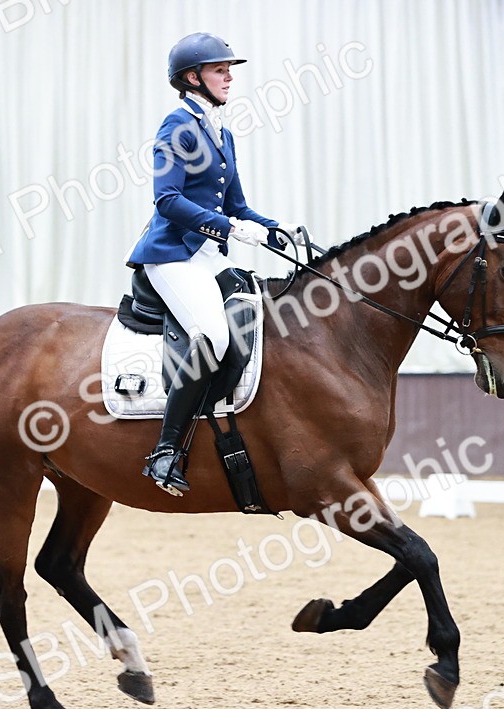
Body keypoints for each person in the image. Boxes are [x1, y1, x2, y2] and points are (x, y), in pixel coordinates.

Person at [127, 32, 303, 496]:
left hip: (206, 256)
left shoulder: (221, 133)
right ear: (192, 78)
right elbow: (167, 200)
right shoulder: (177, 126)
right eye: (220, 70)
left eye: (229, 70)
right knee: (213, 335)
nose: (229, 77)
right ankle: (165, 451)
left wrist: (274, 228)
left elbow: (237, 206)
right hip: (171, 255)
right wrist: (229, 229)